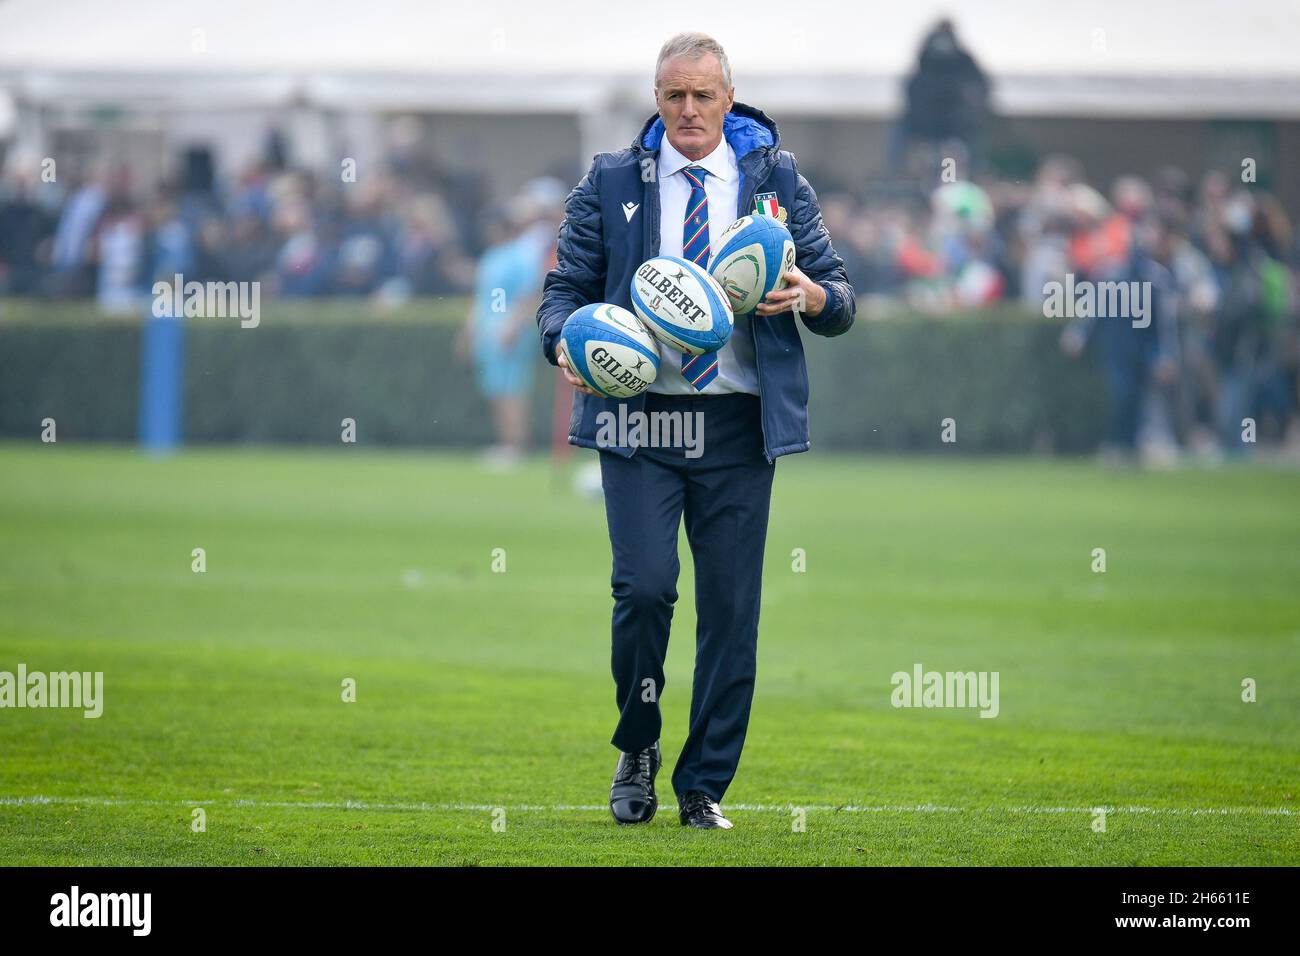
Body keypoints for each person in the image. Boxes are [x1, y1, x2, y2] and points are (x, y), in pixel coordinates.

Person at [535, 32, 855, 829]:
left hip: (739, 429)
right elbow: (560, 293)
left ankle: (703, 786)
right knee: (643, 590)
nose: (687, 110)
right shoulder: (611, 181)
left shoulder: (777, 179)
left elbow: (842, 298)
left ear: (727, 97)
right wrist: (563, 344)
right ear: (656, 98)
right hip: (641, 422)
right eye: (673, 95)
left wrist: (809, 297)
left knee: (731, 612)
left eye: (702, 96)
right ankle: (637, 744)